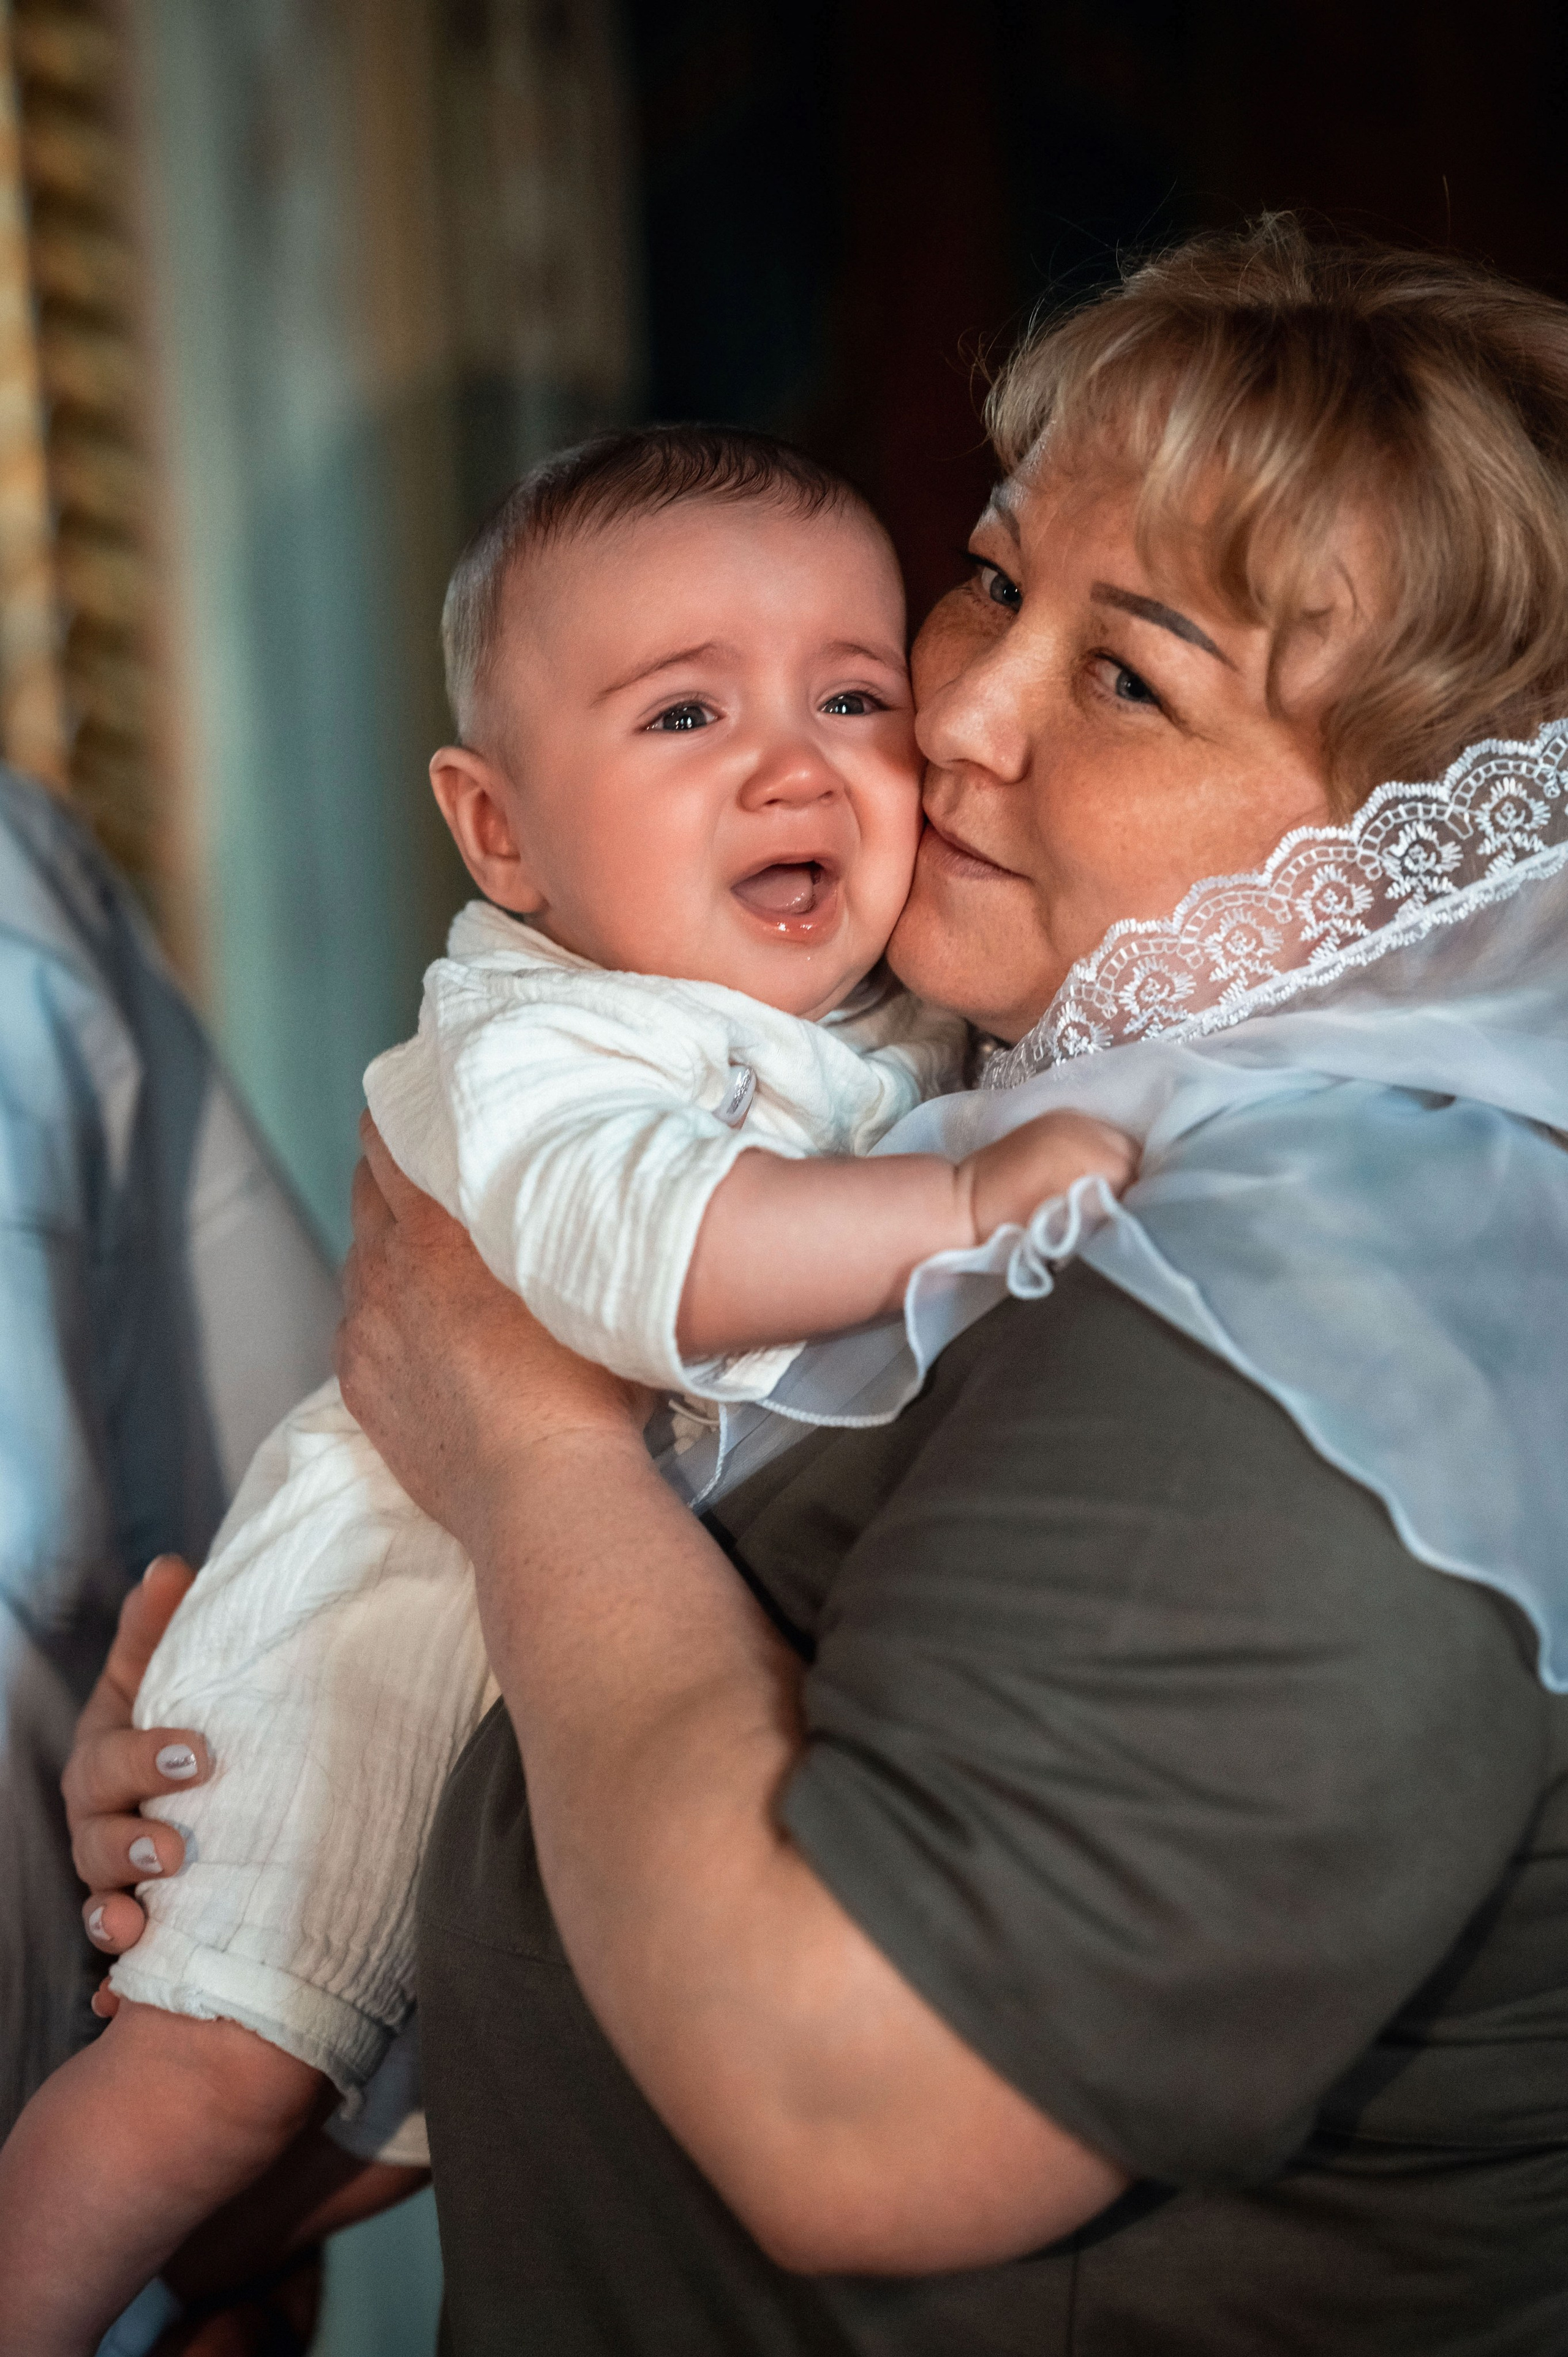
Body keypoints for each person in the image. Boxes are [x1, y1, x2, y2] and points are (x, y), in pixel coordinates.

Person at [67, 219, 1568, 2353]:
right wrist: (256, 1866)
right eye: (990, 575)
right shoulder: (946, 1122)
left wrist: (518, 1441)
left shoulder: (1338, 1289)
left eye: (1130, 674)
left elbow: (862, 2117)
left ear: (1415, 843)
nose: (951, 709)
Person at [0, 428, 1132, 2355]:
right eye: (684, 711)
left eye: (854, 695)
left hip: (556, 1679)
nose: (795, 761)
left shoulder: (894, 1022)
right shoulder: (537, 1046)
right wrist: (955, 1204)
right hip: (370, 1651)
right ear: (500, 830)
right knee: (207, 2081)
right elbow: (649, 1255)